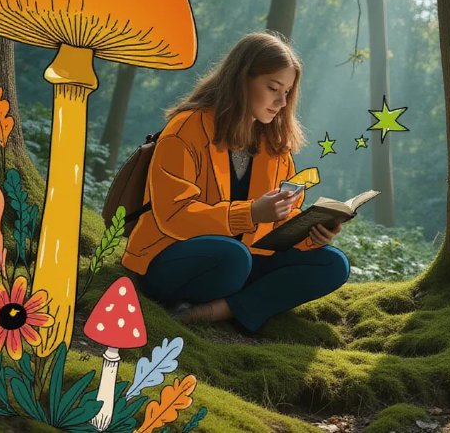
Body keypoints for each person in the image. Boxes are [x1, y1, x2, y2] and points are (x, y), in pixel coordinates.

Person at [121, 31, 351, 333]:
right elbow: (173, 217)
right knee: (233, 258)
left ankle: (216, 311)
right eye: (273, 88)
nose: (282, 102)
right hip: (171, 258)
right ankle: (243, 302)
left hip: (242, 259)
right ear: (243, 79)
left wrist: (312, 233)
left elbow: (278, 221)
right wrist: (251, 214)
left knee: (333, 264)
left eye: (288, 92)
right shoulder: (186, 129)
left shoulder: (275, 145)